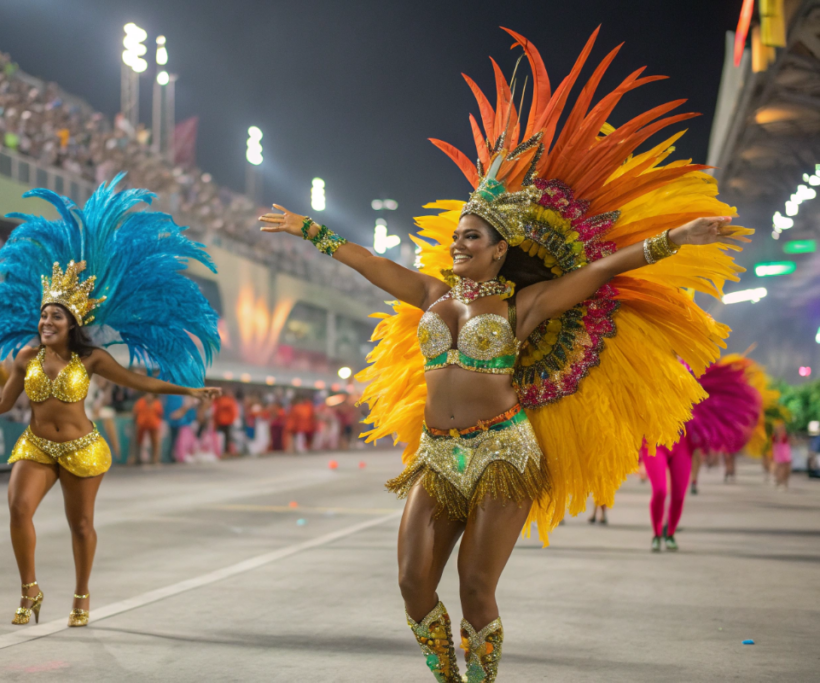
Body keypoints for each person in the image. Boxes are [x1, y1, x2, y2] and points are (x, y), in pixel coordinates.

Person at [258, 28, 747, 681]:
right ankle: (449, 674)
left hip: (502, 453)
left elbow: (604, 270)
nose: (459, 241)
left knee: (475, 588)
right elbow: (372, 262)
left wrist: (676, 238)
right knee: (410, 582)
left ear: (498, 249)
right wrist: (309, 230)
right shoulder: (432, 293)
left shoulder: (525, 303)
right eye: (457, 233)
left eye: (473, 235)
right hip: (438, 452)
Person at [0, 175, 220, 629]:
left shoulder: (92, 358)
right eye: (44, 314)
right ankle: (30, 589)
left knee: (81, 526)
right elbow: (6, 403)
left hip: (82, 450)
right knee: (18, 508)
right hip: (38, 445)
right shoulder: (26, 355)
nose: (46, 320)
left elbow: (141, 383)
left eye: (55, 316)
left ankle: (82, 596)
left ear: (72, 324)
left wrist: (190, 390)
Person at [646, 356, 760, 552]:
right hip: (655, 443)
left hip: (682, 444)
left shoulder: (690, 371)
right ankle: (657, 534)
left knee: (679, 496)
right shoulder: (650, 371)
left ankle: (670, 533)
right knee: (660, 491)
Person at [132, 393, 163, 464]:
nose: (149, 396)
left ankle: (155, 459)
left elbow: (160, 414)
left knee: (155, 442)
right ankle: (136, 458)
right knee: (138, 441)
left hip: (153, 425)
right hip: (142, 424)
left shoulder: (157, 403)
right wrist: (136, 422)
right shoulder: (140, 402)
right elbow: (135, 413)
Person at [213, 388, 239, 456]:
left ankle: (219, 450)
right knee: (227, 438)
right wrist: (232, 420)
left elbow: (216, 412)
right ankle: (226, 451)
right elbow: (234, 412)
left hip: (220, 421)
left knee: (219, 438)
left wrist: (216, 421)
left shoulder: (218, 401)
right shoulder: (230, 400)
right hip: (228, 422)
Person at [772, 421, 792, 490]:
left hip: (786, 455)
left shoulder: (785, 436)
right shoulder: (775, 437)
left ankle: (785, 482)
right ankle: (780, 481)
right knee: (780, 469)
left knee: (787, 470)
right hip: (779, 455)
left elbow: (790, 442)